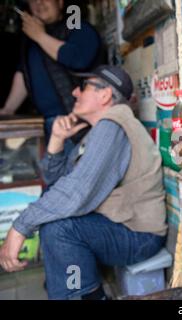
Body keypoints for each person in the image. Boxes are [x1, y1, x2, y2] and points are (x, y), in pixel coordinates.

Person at [0, 65, 167, 300]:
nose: (75, 93)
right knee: (55, 219)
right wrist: (56, 141)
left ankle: (88, 296)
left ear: (105, 95)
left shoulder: (114, 125)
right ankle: (81, 292)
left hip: (138, 234)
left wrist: (20, 227)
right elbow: (58, 184)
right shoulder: (97, 131)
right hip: (114, 225)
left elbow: (76, 192)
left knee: (59, 229)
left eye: (83, 87)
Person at [0, 0, 102, 147]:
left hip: (78, 124)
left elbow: (78, 59)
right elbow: (24, 73)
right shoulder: (30, 40)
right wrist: (8, 109)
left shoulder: (76, 26)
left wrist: (40, 36)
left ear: (60, 3)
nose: (38, 3)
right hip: (44, 125)